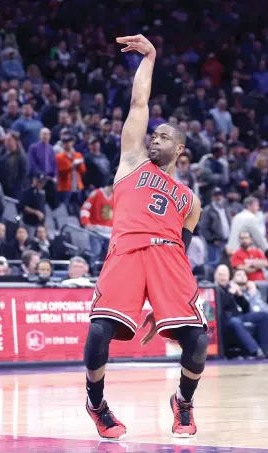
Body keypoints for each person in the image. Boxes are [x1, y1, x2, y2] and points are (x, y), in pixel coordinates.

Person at [85, 35, 207, 440]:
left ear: (181, 149)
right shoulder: (133, 161)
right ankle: (97, 403)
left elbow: (184, 249)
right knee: (100, 331)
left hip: (169, 260)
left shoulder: (190, 199)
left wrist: (163, 300)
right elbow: (139, 103)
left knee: (196, 341)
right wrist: (151, 56)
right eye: (153, 135)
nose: (155, 139)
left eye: (164, 137)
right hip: (127, 250)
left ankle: (183, 403)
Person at [214, 265, 268, 359]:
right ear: (215, 276)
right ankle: (256, 351)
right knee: (235, 321)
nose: (223, 277)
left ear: (229, 276)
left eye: (225, 275)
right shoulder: (213, 289)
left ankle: (265, 349)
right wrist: (230, 293)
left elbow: (246, 309)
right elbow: (219, 306)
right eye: (220, 275)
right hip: (224, 321)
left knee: (263, 315)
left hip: (239, 317)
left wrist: (240, 296)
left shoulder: (230, 287)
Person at [200, 188, 231, 268]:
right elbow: (204, 228)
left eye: (220, 195)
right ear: (213, 197)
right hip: (215, 244)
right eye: (216, 195)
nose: (218, 197)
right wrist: (212, 239)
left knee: (226, 264)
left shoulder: (226, 208)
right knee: (213, 265)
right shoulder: (208, 210)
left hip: (226, 241)